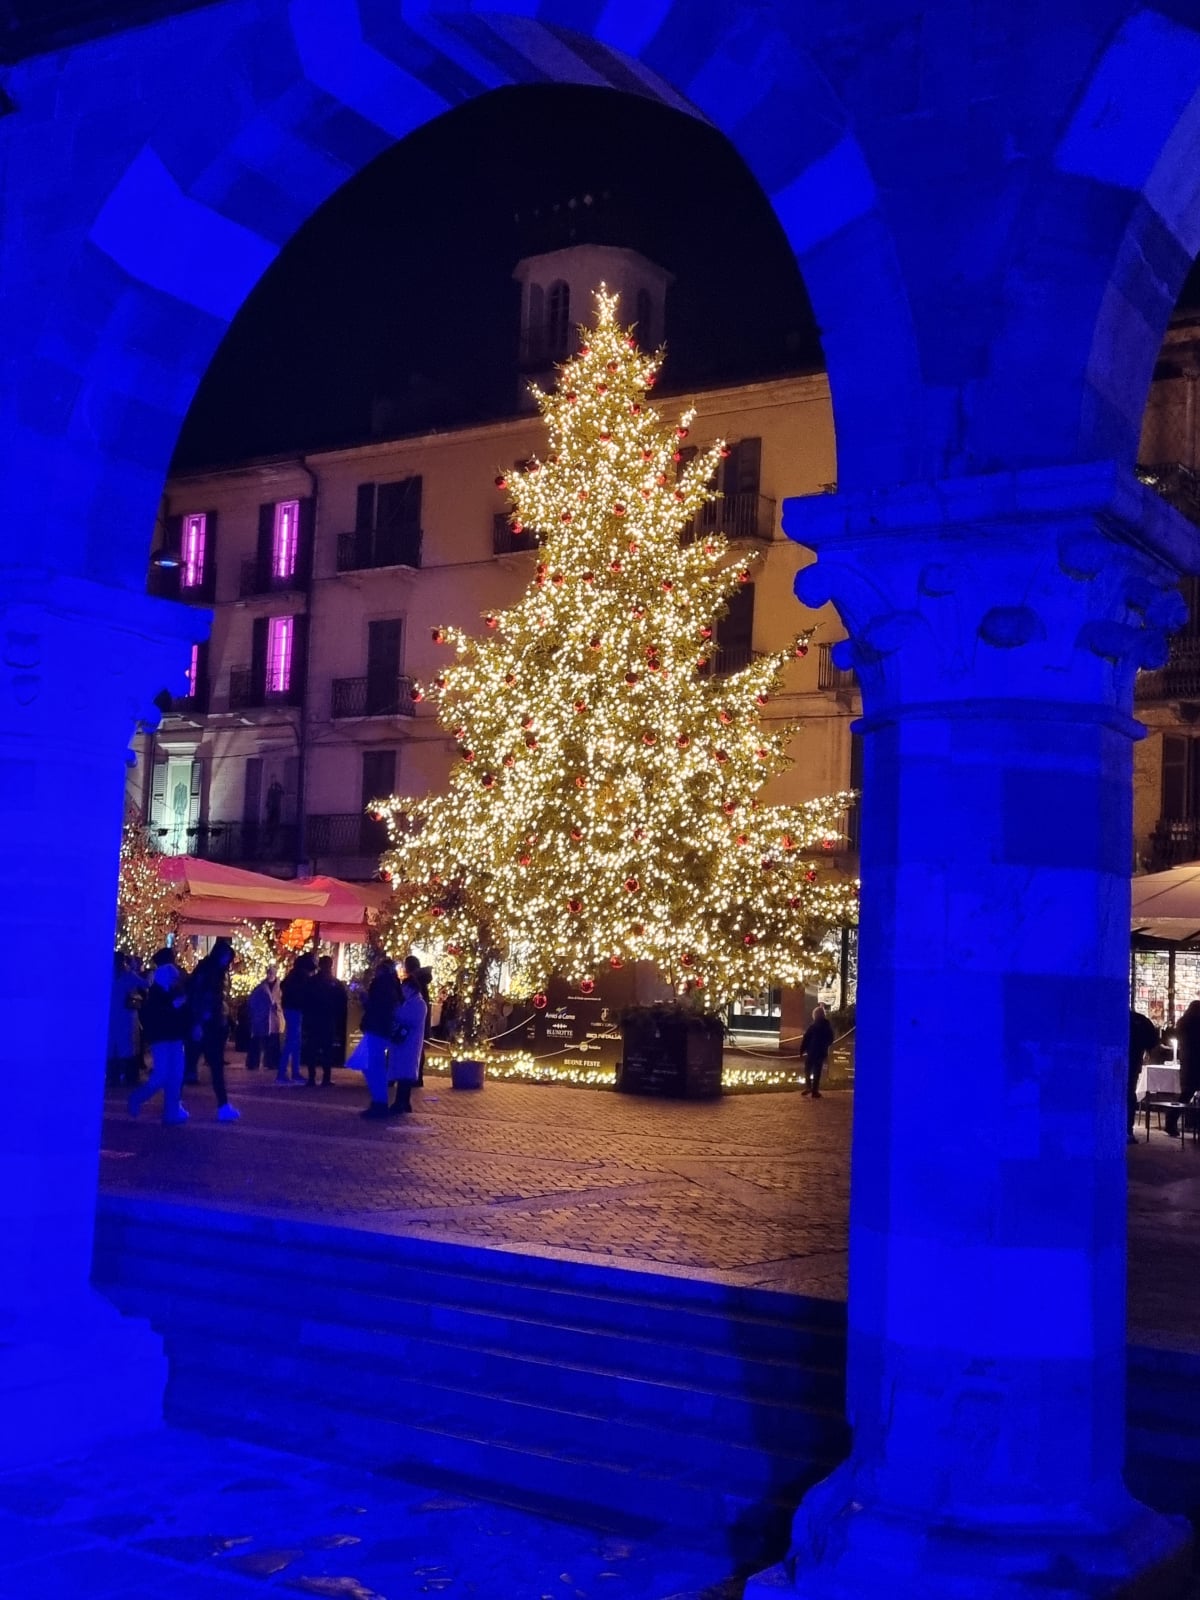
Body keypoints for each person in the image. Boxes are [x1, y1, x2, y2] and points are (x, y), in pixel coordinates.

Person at [129, 950, 190, 1124]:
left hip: (174, 1037)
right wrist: (174, 1008)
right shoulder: (157, 994)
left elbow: (181, 1013)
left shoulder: (173, 991)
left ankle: (171, 1112)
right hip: (162, 1039)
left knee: (176, 1074)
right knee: (162, 1074)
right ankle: (138, 1097)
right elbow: (153, 1016)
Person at [187, 937, 239, 1121]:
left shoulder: (208, 970)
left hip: (207, 1024)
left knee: (196, 1066)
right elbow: (205, 998)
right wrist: (200, 1022)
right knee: (212, 1067)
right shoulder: (211, 972)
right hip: (207, 1025)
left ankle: (223, 1105)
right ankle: (223, 1106)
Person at [359, 956, 402, 1118]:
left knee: (372, 1065)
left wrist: (365, 1000)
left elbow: (375, 1007)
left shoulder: (381, 985)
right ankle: (379, 1100)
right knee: (374, 1065)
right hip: (383, 1029)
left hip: (376, 1028)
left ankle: (379, 1102)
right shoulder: (394, 985)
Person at [388, 973, 428, 1115]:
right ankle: (402, 1102)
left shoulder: (419, 1004)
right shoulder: (409, 1002)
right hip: (403, 1042)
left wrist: (395, 1013)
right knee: (402, 1073)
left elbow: (409, 1019)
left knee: (405, 1074)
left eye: (405, 988)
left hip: (409, 1043)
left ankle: (401, 1102)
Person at [305, 955, 348, 1087]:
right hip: (328, 1019)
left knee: (313, 1048)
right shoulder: (334, 983)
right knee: (326, 1049)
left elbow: (306, 1000)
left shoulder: (313, 981)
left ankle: (312, 1077)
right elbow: (342, 1000)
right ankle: (325, 1078)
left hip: (314, 1019)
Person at [107, 951, 147, 1088]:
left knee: (115, 1046)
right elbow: (146, 984)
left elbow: (144, 984)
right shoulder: (127, 976)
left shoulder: (119, 976)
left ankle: (115, 1076)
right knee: (125, 1047)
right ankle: (126, 1076)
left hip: (115, 1017)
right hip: (123, 1017)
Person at [279, 952, 316, 1085]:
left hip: (292, 1008)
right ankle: (282, 1073)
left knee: (295, 1041)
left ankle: (293, 1072)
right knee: (292, 1041)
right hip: (295, 1009)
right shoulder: (301, 977)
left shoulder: (294, 975)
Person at [246, 964, 284, 1075]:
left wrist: (278, 1006)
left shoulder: (280, 987)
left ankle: (272, 1062)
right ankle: (253, 1062)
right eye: (269, 973)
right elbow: (253, 1001)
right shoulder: (260, 987)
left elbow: (283, 1001)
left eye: (273, 973)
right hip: (262, 1018)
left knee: (274, 1041)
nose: (271, 975)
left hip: (275, 1018)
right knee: (258, 1040)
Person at [1128, 1008, 1159, 1143]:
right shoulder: (1140, 1020)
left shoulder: (1109, 1017)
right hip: (1133, 1062)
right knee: (1128, 1094)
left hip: (1110, 1061)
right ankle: (1127, 1130)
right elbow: (1152, 1041)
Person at [403, 954, 433, 1086]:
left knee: (414, 1048)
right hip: (421, 1018)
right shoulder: (422, 980)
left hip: (414, 1018)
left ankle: (414, 1077)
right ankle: (418, 1076)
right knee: (419, 1048)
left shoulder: (414, 981)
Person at [800, 1004, 834, 1098]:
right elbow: (831, 1038)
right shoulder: (826, 1026)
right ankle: (814, 1090)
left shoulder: (813, 1026)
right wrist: (825, 1045)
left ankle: (809, 1087)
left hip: (812, 1050)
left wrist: (802, 1049)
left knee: (808, 1069)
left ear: (815, 1015)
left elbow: (806, 1038)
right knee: (817, 1071)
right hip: (820, 1051)